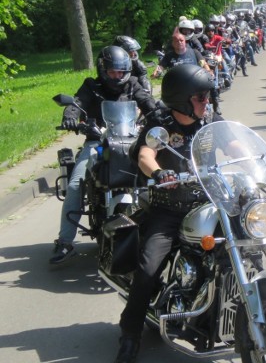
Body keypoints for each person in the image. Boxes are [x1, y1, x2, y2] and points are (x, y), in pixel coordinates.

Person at [114, 64, 222, 363]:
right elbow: (145, 155)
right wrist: (159, 172)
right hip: (168, 209)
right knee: (148, 271)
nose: (206, 102)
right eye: (201, 97)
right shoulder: (159, 124)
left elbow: (232, 141)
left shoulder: (209, 120)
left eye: (208, 96)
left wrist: (260, 159)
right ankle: (130, 333)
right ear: (182, 98)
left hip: (207, 205)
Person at [50, 46, 156, 265]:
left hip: (129, 140)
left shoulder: (133, 84)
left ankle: (154, 236)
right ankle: (65, 241)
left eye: (121, 72)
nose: (117, 76)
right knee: (76, 184)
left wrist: (160, 114)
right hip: (97, 141)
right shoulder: (92, 85)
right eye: (112, 72)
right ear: (103, 69)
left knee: (154, 179)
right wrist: (71, 116)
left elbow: (148, 103)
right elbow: (77, 103)